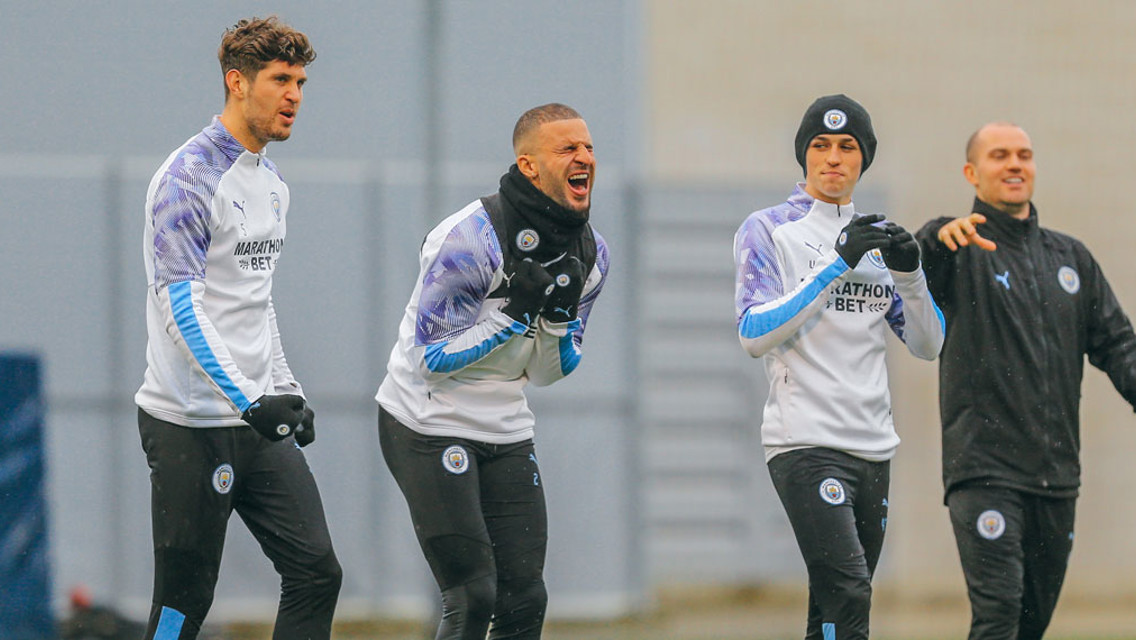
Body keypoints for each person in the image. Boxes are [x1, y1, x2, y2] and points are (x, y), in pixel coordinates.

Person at [134, 16, 341, 639]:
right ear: (237, 82)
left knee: (316, 573)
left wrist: (286, 386)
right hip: (190, 425)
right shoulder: (188, 179)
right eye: (281, 79)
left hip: (256, 422)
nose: (295, 96)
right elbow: (182, 309)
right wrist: (251, 398)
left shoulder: (272, 184)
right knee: (181, 606)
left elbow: (256, 300)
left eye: (301, 81)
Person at [375, 103, 609, 640]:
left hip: (505, 427)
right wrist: (515, 317)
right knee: (473, 594)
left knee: (525, 598)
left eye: (589, 147)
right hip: (426, 423)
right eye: (567, 148)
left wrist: (552, 323)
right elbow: (428, 361)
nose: (584, 158)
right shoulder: (471, 237)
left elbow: (550, 374)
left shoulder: (591, 253)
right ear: (529, 166)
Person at [733, 94, 944, 640]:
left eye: (847, 147)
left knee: (832, 605)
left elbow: (928, 344)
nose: (833, 157)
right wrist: (835, 264)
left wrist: (912, 276)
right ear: (803, 155)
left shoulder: (877, 243)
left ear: (862, 160)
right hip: (804, 443)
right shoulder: (771, 230)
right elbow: (754, 334)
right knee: (850, 591)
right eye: (820, 146)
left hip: (873, 447)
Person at [915, 122, 1136, 640]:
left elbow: (1119, 346)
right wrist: (937, 239)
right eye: (999, 155)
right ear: (972, 172)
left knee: (1031, 626)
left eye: (1024, 154)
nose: (1015, 164)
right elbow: (921, 268)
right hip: (985, 473)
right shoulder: (960, 246)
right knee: (999, 617)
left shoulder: (1071, 258)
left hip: (1056, 477)